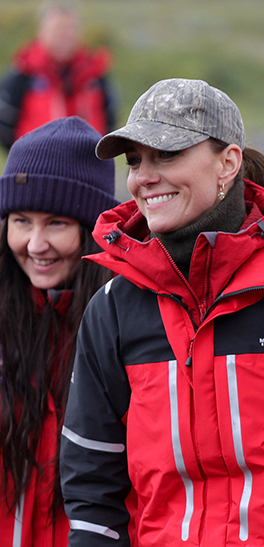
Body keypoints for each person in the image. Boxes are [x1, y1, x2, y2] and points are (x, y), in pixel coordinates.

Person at [60, 78, 264, 546]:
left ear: (228, 163)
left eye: (166, 155)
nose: (142, 177)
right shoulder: (111, 310)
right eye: (135, 161)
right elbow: (91, 487)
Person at [0, 116, 118, 547]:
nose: (34, 244)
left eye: (56, 223)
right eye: (21, 221)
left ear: (92, 233)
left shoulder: (129, 331)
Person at [0, 2, 117, 151]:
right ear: (41, 31)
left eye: (70, 29)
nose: (64, 35)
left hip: (87, 166)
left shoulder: (95, 75)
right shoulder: (24, 73)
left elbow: (110, 119)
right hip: (36, 166)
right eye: (57, 29)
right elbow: (4, 125)